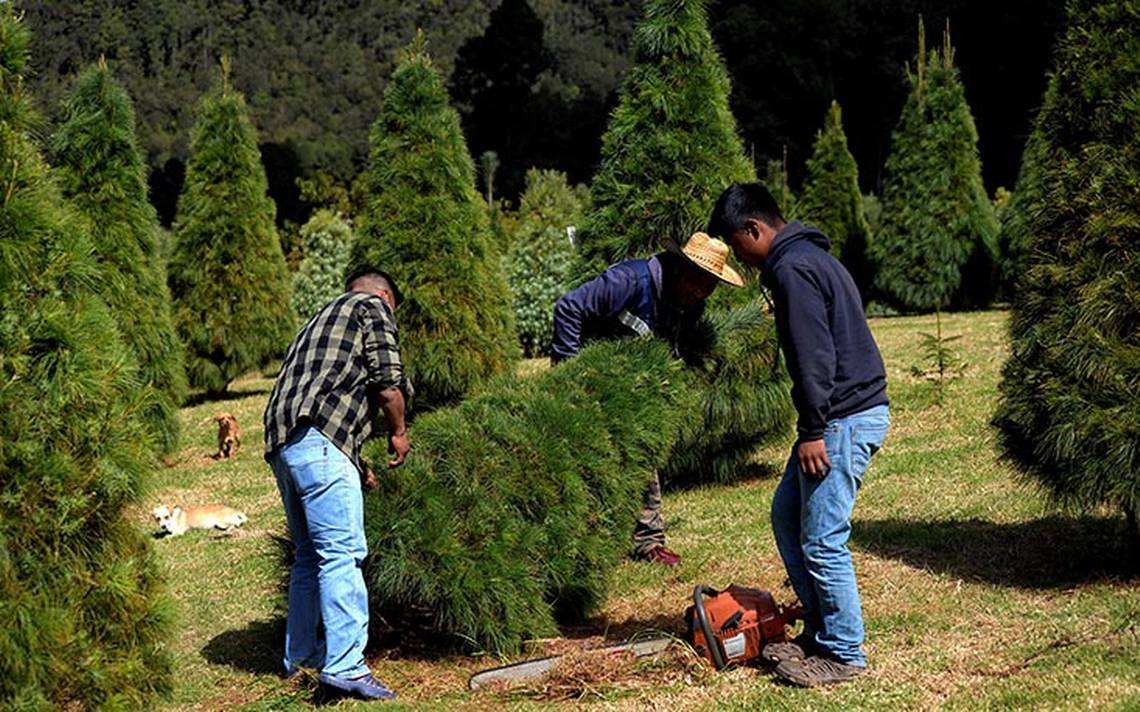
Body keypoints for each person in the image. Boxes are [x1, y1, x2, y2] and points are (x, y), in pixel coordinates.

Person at [707, 183, 889, 687]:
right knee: (787, 514)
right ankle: (820, 631)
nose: (739, 260)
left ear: (753, 230)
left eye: (736, 246)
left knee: (823, 538)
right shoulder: (809, 258)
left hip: (841, 417)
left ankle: (844, 652)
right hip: (839, 413)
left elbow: (814, 358)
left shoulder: (791, 269)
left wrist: (812, 430)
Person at [263, 266, 413, 701]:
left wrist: (353, 459)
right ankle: (347, 665)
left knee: (309, 557)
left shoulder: (318, 319)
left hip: (284, 444)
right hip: (320, 444)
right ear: (386, 295)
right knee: (342, 553)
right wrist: (398, 432)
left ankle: (301, 658)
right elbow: (388, 383)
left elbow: (322, 393)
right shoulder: (372, 308)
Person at [551, 232, 743, 566]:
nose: (700, 292)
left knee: (643, 454)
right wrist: (569, 378)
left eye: (709, 286)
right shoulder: (627, 281)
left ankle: (648, 542)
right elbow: (568, 309)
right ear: (679, 268)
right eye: (696, 282)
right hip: (586, 384)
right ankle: (574, 546)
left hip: (630, 389)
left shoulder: (686, 306)